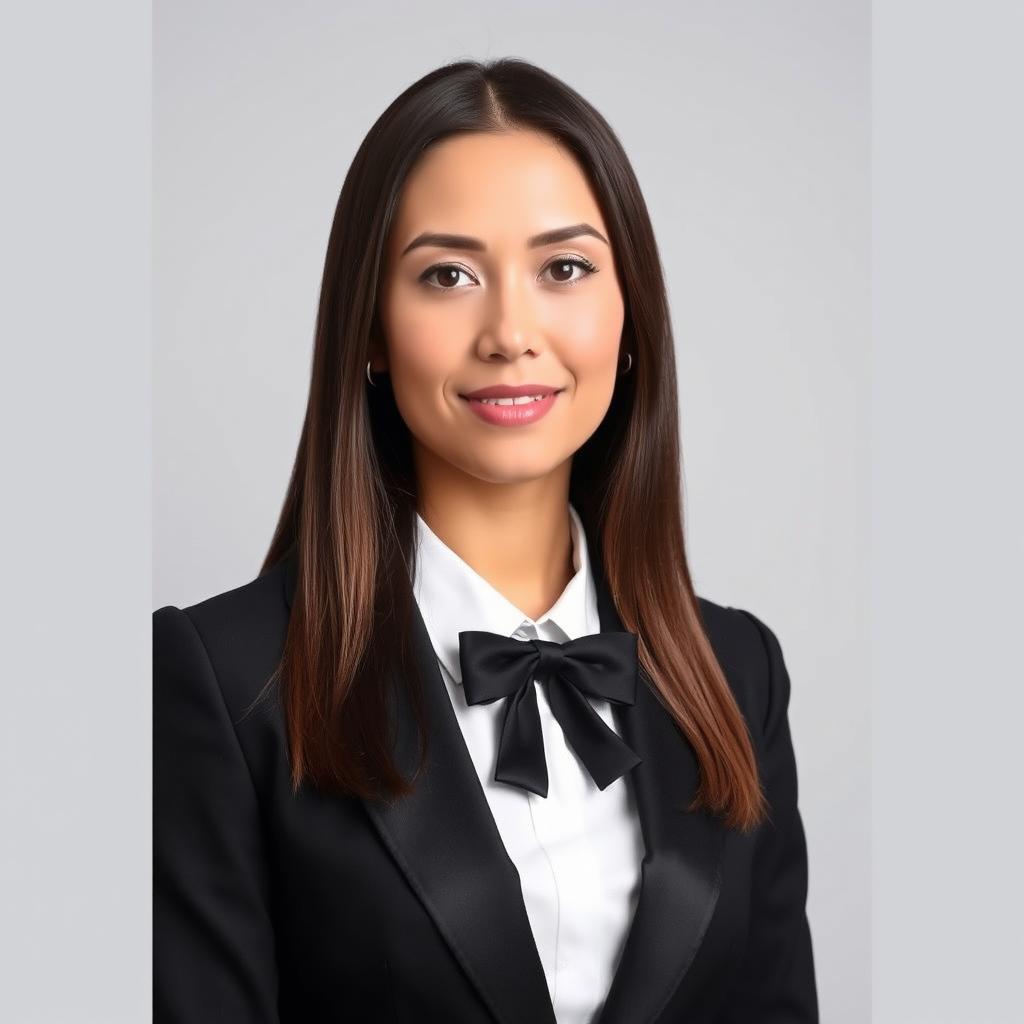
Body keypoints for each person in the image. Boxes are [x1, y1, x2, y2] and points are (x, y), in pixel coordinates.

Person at [153, 58, 819, 1023]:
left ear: (629, 317)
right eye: (448, 275)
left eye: (565, 268)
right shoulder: (223, 679)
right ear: (371, 331)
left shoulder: (738, 670)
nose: (511, 331)